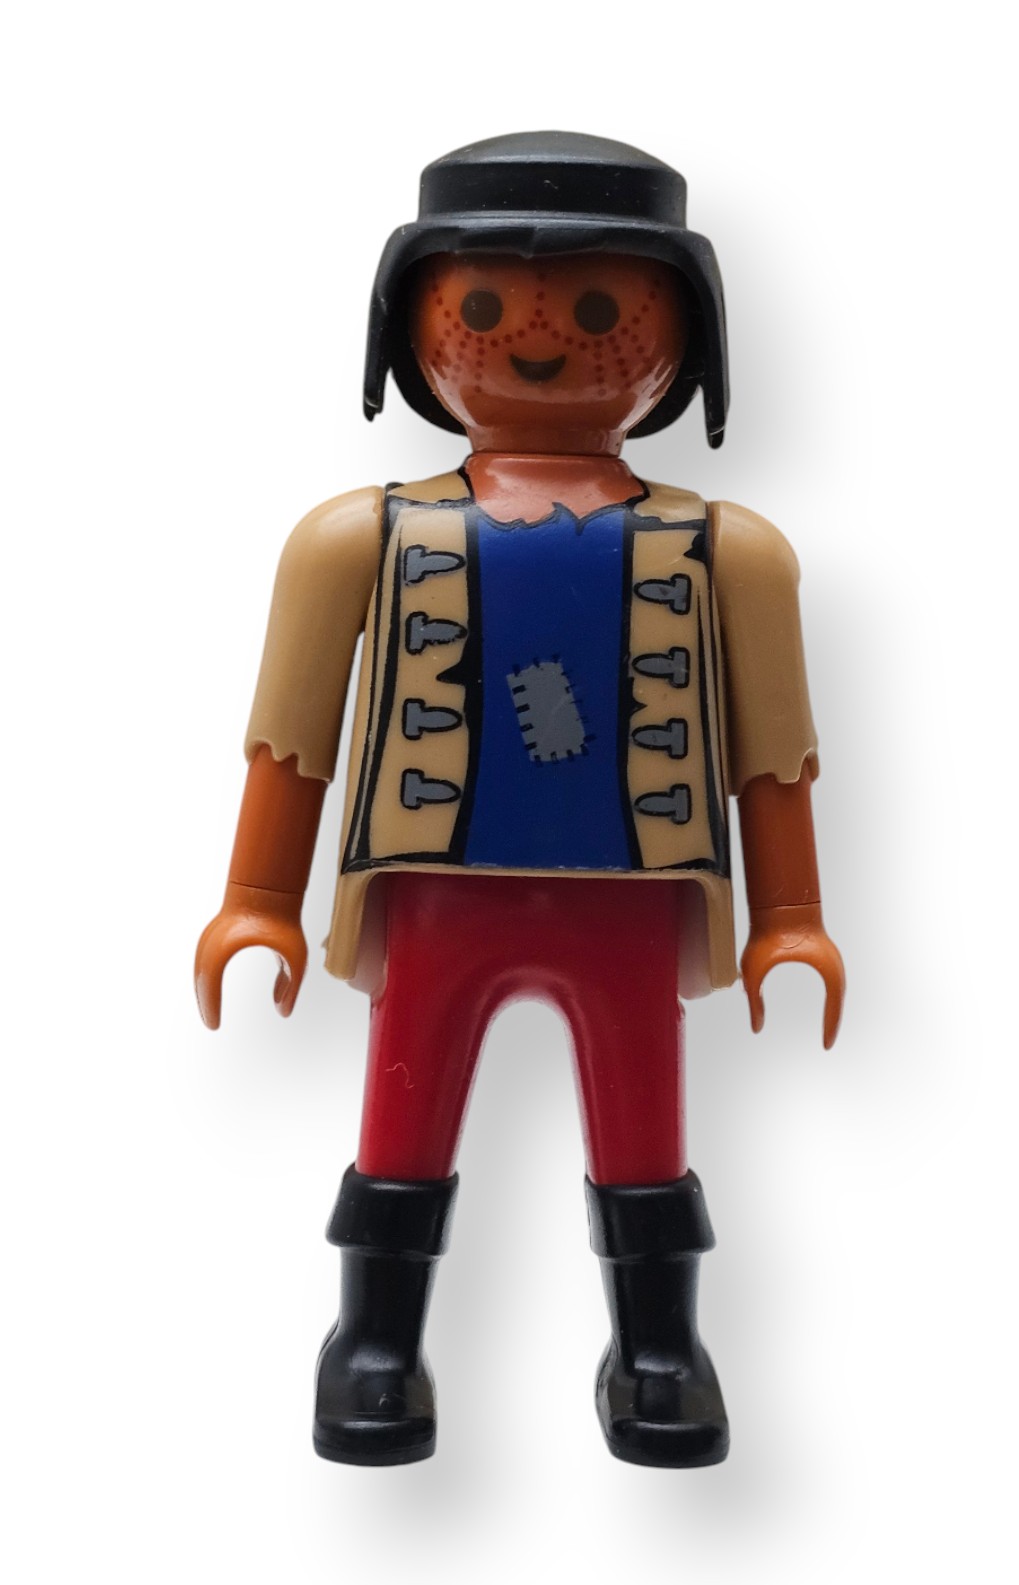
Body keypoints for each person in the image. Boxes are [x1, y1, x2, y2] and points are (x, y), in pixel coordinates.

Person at [195, 131, 844, 1468]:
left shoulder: (730, 554)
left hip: (635, 892)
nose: (540, 339)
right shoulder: (358, 538)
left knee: (644, 1127)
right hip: (436, 886)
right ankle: (374, 1341)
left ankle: (657, 1347)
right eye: (483, 304)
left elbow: (771, 758)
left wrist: (791, 916)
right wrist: (256, 897)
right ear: (413, 326)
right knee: (404, 1111)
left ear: (683, 337)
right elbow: (291, 738)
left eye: (603, 311)